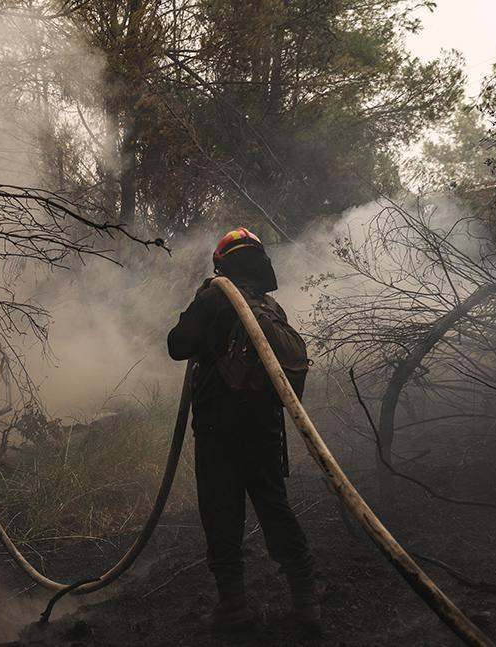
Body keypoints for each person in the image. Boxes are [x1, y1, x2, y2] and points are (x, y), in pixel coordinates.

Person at [167, 227, 319, 633]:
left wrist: (200, 306)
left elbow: (177, 344)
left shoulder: (216, 296)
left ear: (222, 262)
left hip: (220, 428)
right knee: (274, 507)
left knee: (222, 514)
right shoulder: (270, 306)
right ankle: (305, 604)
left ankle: (233, 609)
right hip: (267, 427)